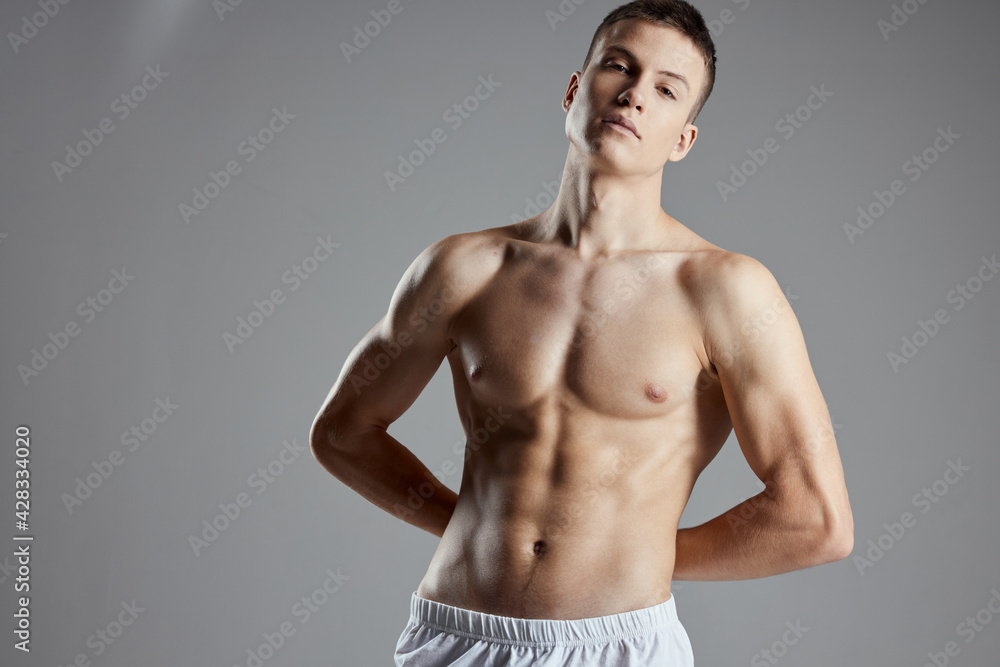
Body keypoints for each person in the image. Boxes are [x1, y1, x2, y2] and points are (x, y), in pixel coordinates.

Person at [310, 1, 854, 664]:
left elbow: (816, 517)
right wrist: (460, 522)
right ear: (575, 88)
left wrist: (643, 552)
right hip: (455, 633)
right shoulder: (465, 268)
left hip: (618, 645)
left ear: (682, 138)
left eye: (665, 89)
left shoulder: (724, 290)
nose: (633, 94)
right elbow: (343, 431)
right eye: (617, 67)